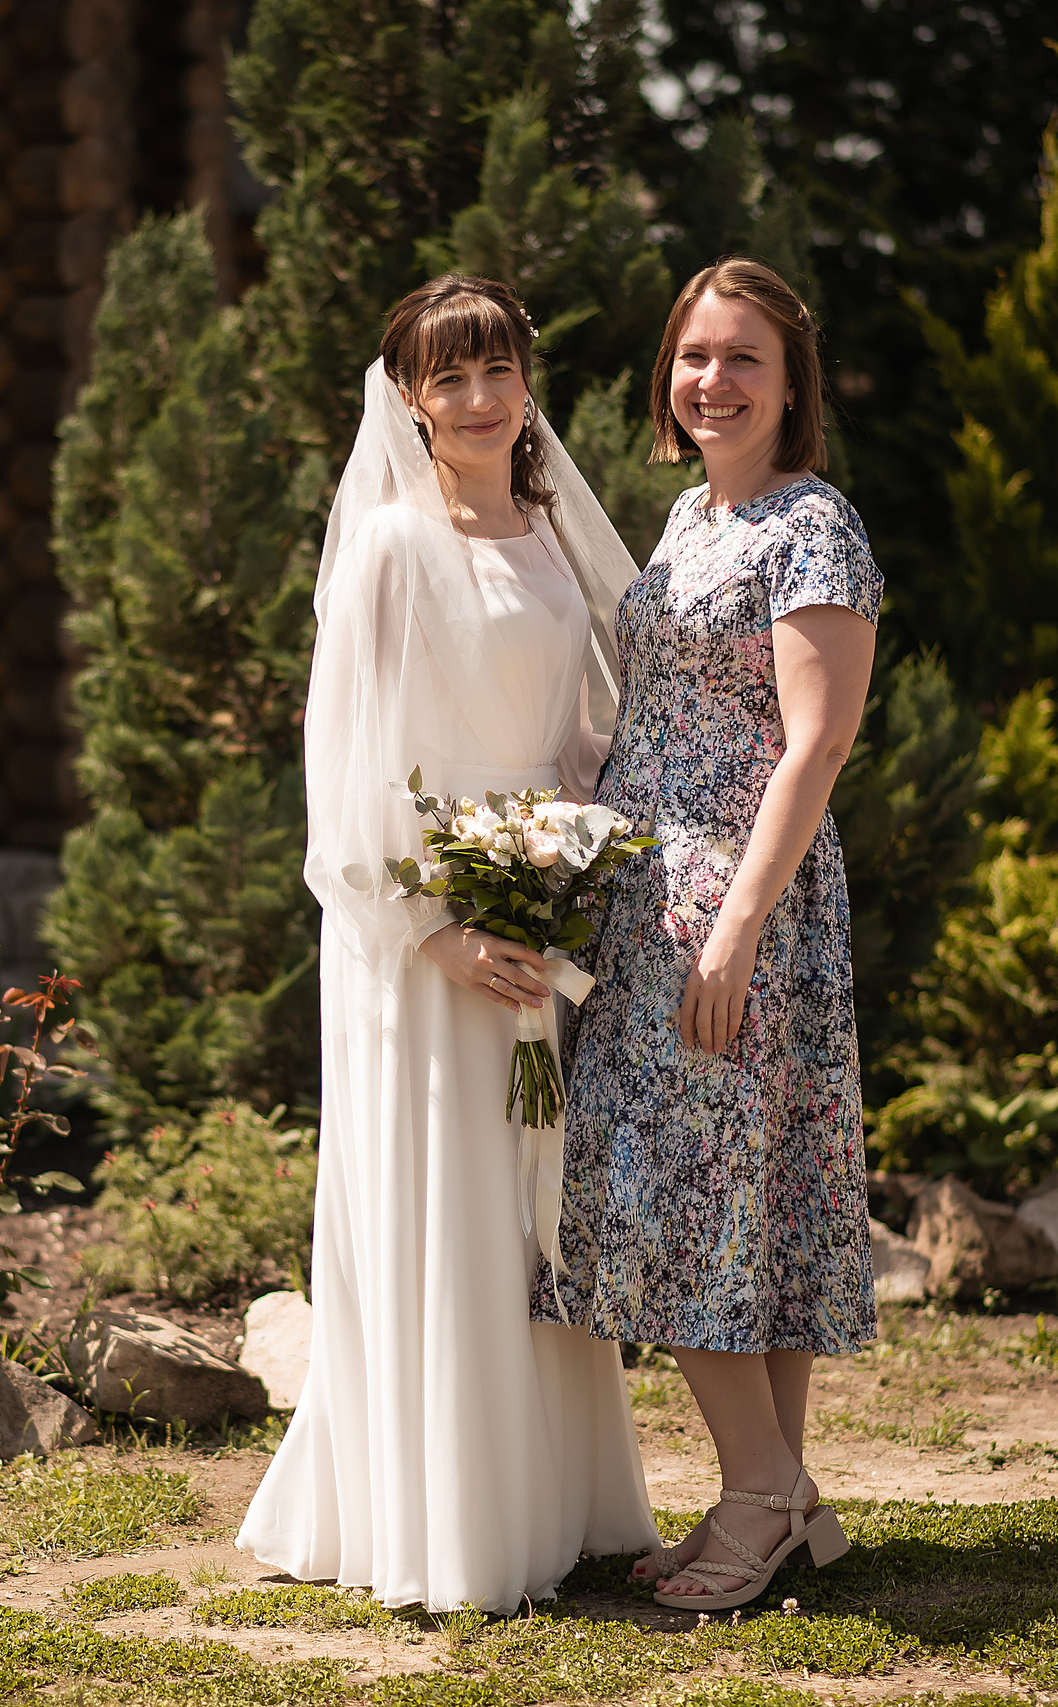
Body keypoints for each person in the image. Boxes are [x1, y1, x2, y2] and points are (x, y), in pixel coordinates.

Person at [236, 274, 662, 1611]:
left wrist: (584, 852)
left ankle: (560, 1497)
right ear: (410, 399)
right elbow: (343, 764)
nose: (478, 399)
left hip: (531, 903)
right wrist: (433, 931)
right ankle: (440, 1523)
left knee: (529, 1201)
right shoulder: (386, 547)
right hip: (420, 934)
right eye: (449, 377)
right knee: (446, 1200)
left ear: (525, 381)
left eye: (497, 371)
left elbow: (585, 727)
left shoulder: (545, 532)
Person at [532, 256, 882, 1610]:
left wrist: (732, 929)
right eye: (694, 356)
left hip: (737, 911)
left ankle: (757, 1498)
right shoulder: (688, 517)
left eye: (743, 358)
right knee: (742, 1208)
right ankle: (780, 1502)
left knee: (675, 1206)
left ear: (792, 383)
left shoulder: (813, 527)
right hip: (655, 901)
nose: (712, 380)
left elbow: (819, 741)